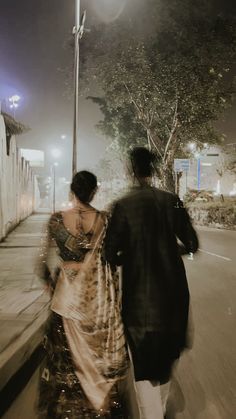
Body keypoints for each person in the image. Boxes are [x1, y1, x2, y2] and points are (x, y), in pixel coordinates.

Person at [104, 147, 199, 419]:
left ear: (131, 169)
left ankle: (152, 413)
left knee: (143, 363)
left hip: (138, 300)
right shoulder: (174, 200)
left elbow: (110, 255)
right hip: (173, 295)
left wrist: (133, 253)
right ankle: (158, 408)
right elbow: (192, 244)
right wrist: (169, 251)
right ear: (154, 169)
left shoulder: (122, 205)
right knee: (167, 358)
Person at [36, 170, 139, 418]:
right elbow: (114, 259)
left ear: (72, 190)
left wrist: (51, 282)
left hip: (65, 301)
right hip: (96, 303)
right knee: (98, 359)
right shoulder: (105, 220)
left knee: (65, 359)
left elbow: (41, 263)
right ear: (94, 192)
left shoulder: (56, 220)